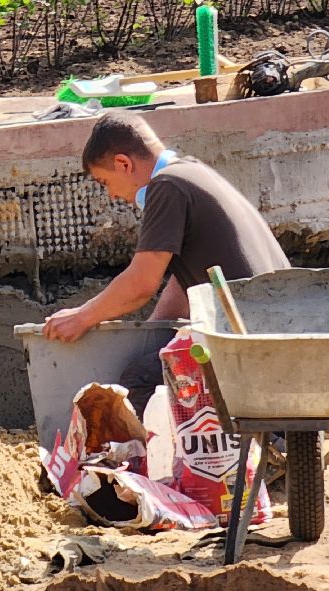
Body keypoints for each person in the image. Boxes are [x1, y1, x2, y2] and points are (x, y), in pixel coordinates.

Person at [43, 110, 289, 412]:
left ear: (124, 164)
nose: (112, 194)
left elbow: (141, 284)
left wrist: (82, 317)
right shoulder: (191, 171)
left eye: (105, 181)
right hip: (277, 325)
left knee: (142, 380)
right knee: (155, 359)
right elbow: (183, 281)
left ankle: (166, 459)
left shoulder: (166, 186)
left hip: (248, 339)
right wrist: (151, 335)